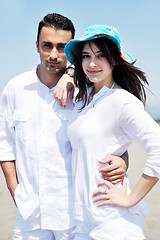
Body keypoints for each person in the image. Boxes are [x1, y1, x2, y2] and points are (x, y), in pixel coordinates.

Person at [0, 15, 128, 240]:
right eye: (46, 45)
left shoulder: (87, 92)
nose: (53, 55)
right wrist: (15, 190)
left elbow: (112, 143)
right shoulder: (15, 88)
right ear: (36, 45)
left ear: (71, 50)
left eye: (61, 47)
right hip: (30, 217)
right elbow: (5, 145)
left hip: (75, 218)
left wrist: (123, 161)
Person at [64, 24, 160, 239]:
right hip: (83, 220)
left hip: (113, 222)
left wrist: (130, 199)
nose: (92, 63)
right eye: (86, 56)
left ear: (114, 60)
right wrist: (67, 76)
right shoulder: (84, 98)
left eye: (101, 56)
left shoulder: (122, 101)